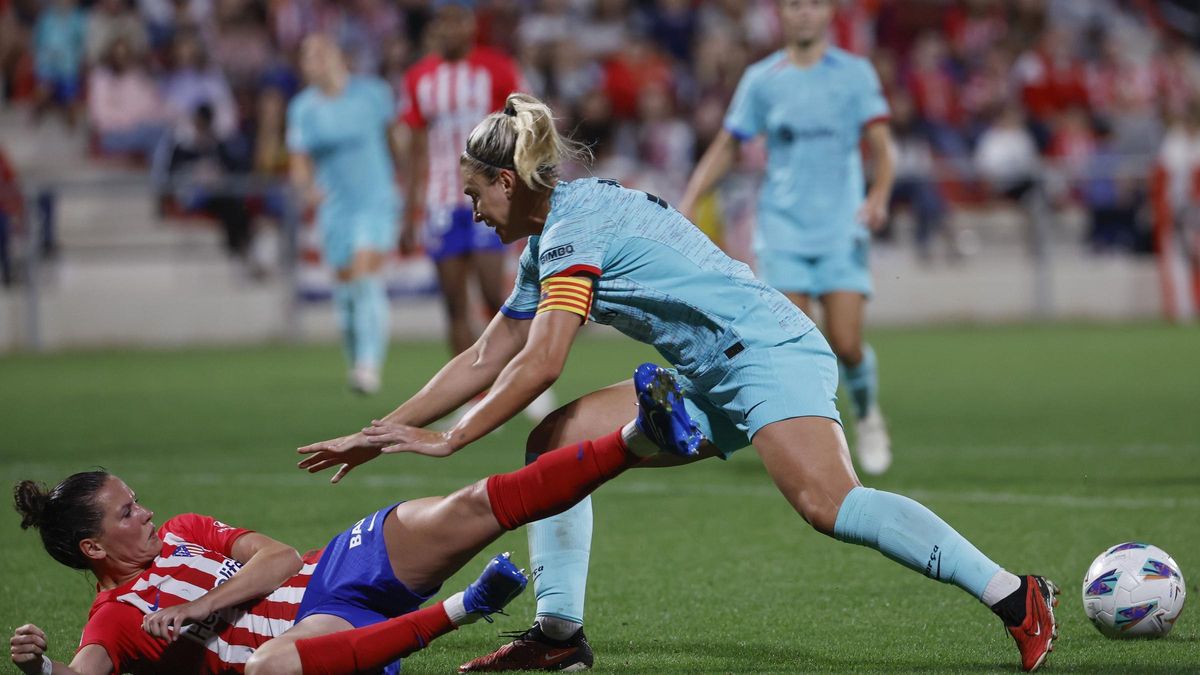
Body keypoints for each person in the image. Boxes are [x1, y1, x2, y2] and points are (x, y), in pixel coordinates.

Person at [297, 91, 1060, 673]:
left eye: (473, 195)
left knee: (829, 502)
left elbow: (542, 361)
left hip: (764, 349)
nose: (471, 210)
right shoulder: (550, 238)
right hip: (704, 371)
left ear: (506, 180)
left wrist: (450, 439)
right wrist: (379, 433)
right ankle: (558, 632)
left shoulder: (570, 231)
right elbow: (482, 356)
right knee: (553, 441)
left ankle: (1014, 594)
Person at [8, 375, 697, 675]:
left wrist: (201, 605)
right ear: (93, 545)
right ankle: (465, 609)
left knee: (469, 505)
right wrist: (41, 663)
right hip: (314, 644)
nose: (149, 511)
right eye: (128, 511)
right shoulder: (116, 616)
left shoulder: (186, 528)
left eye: (137, 498)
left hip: (328, 572)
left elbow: (277, 558)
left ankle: (636, 436)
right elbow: (85, 670)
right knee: (269, 666)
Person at [678, 0, 897, 476]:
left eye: (813, 5)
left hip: (841, 229)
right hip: (782, 231)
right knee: (795, 345)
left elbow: (883, 148)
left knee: (847, 342)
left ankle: (867, 414)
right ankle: (814, 445)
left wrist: (879, 194)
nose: (803, 13)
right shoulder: (763, 79)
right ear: (781, 13)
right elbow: (729, 143)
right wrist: (693, 197)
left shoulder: (855, 74)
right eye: (794, 5)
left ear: (828, 13)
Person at [288, 34, 404, 394]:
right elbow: (298, 160)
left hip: (375, 200)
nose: (316, 61)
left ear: (338, 55)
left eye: (321, 52)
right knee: (346, 294)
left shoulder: (373, 93)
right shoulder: (303, 108)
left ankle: (369, 365)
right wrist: (307, 190)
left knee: (364, 274)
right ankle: (356, 355)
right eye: (308, 56)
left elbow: (395, 138)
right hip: (335, 208)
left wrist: (403, 179)